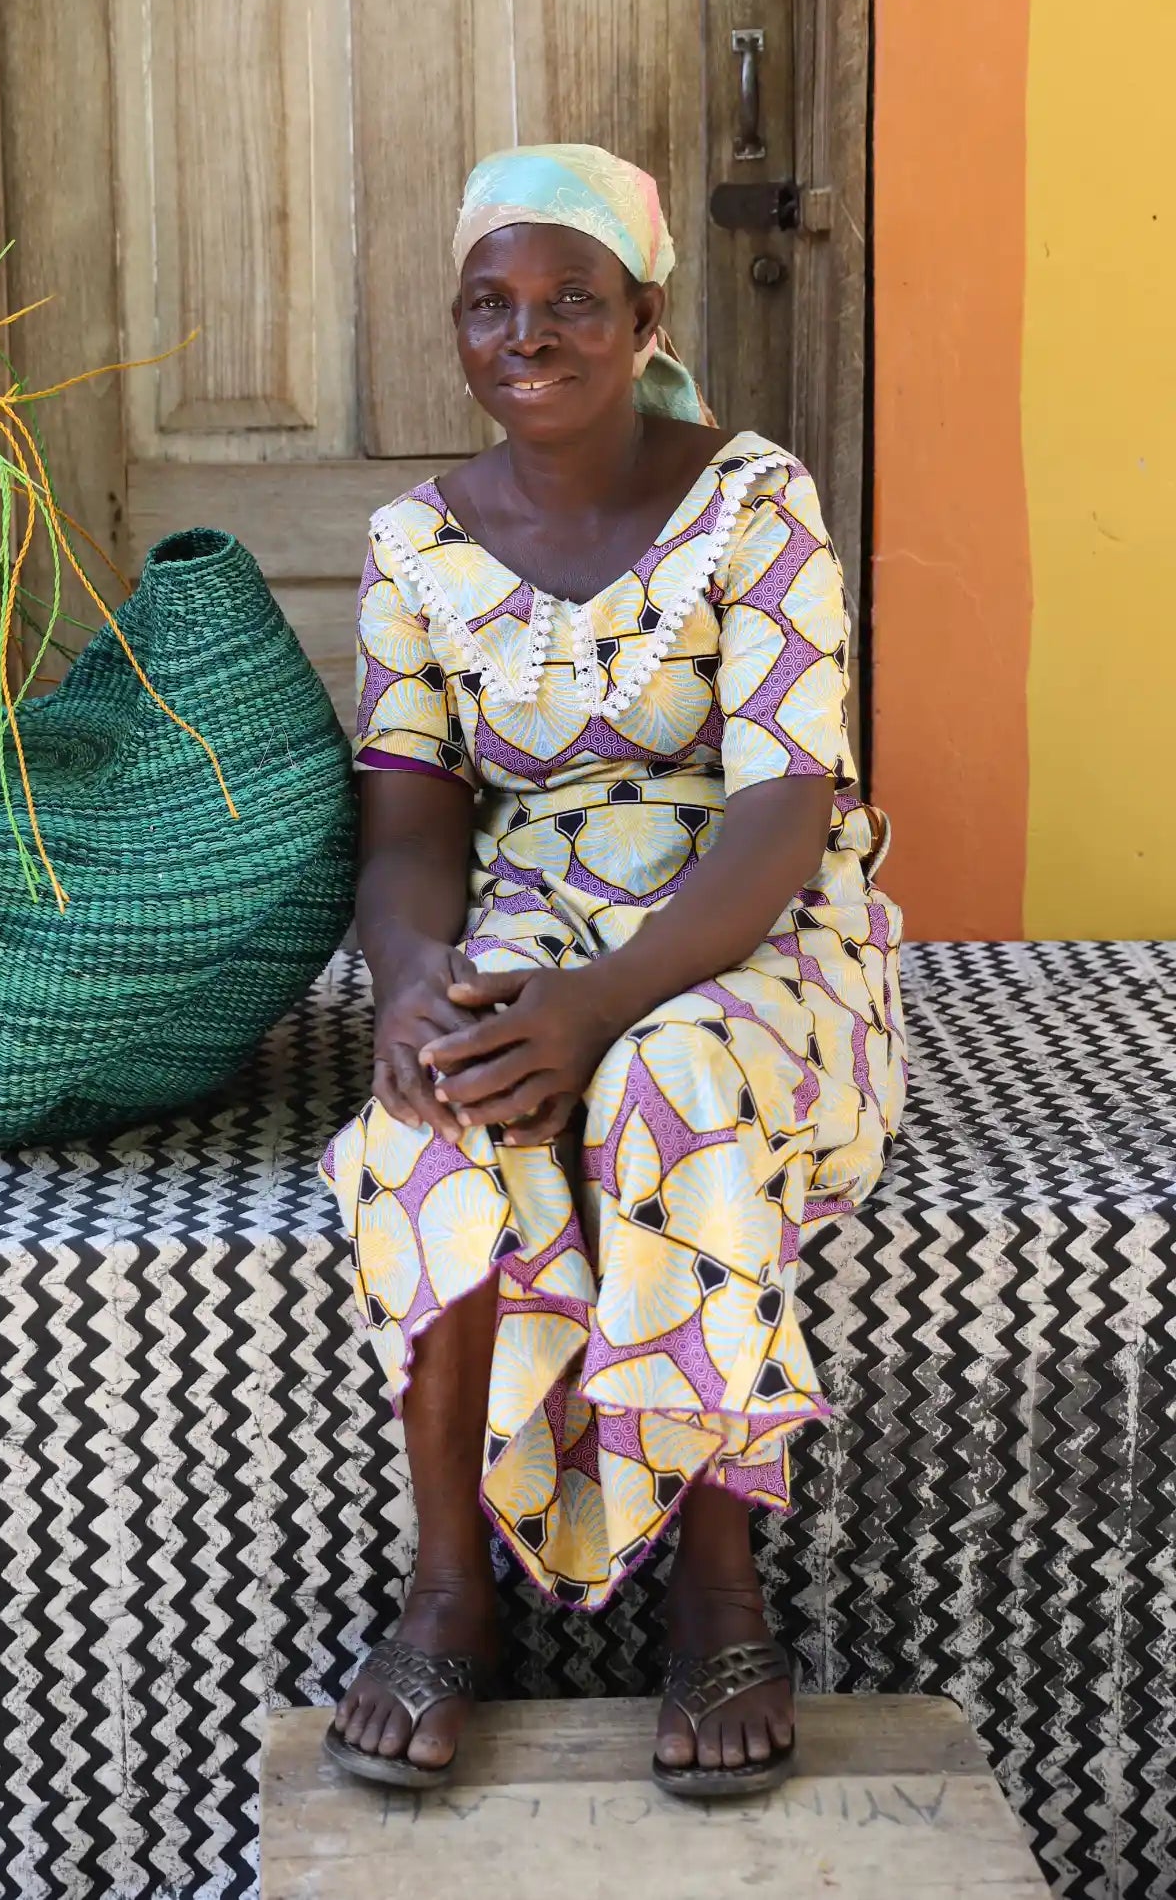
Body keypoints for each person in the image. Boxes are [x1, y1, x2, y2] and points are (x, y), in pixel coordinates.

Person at [320, 144, 905, 1800]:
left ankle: (718, 1587)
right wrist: (421, 979)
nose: (529, 334)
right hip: (534, 902)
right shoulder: (416, 544)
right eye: (490, 305)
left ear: (647, 318)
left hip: (753, 918)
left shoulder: (755, 504)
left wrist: (600, 1005)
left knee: (671, 1084)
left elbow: (788, 807)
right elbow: (413, 818)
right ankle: (451, 1587)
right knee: (440, 1108)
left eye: (574, 299)